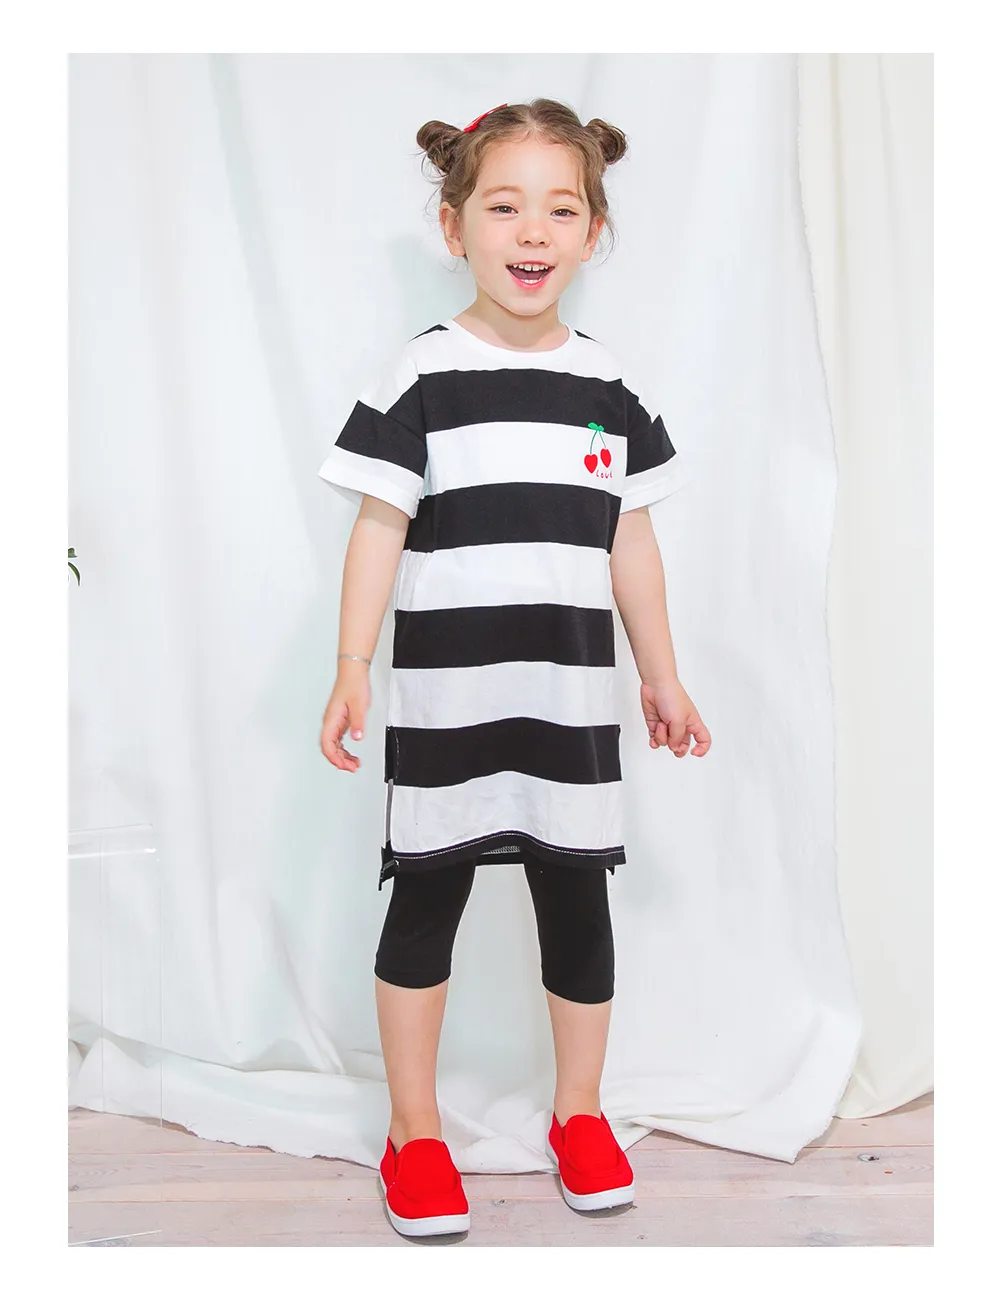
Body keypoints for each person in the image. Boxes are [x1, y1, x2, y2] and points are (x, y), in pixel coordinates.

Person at [317, 97, 711, 1239]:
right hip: (450, 703)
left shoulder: (608, 388)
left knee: (576, 904)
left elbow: (631, 542)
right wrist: (352, 664)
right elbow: (377, 528)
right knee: (424, 902)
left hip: (567, 704)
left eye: (560, 208)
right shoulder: (421, 376)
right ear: (454, 228)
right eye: (503, 206)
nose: (532, 231)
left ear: (593, 232)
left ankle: (578, 1112)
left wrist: (662, 673)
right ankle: (413, 1129)